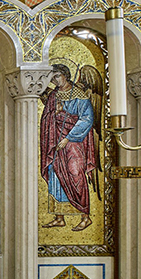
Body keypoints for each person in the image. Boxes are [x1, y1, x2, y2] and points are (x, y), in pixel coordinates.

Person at [40, 63, 95, 231]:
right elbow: (46, 118)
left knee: (76, 174)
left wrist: (68, 136)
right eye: (52, 78)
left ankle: (85, 216)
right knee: (56, 176)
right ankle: (59, 216)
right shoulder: (53, 96)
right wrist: (54, 114)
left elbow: (87, 119)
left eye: (57, 76)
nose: (55, 81)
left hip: (74, 143)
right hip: (55, 142)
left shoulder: (79, 95)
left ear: (65, 75)